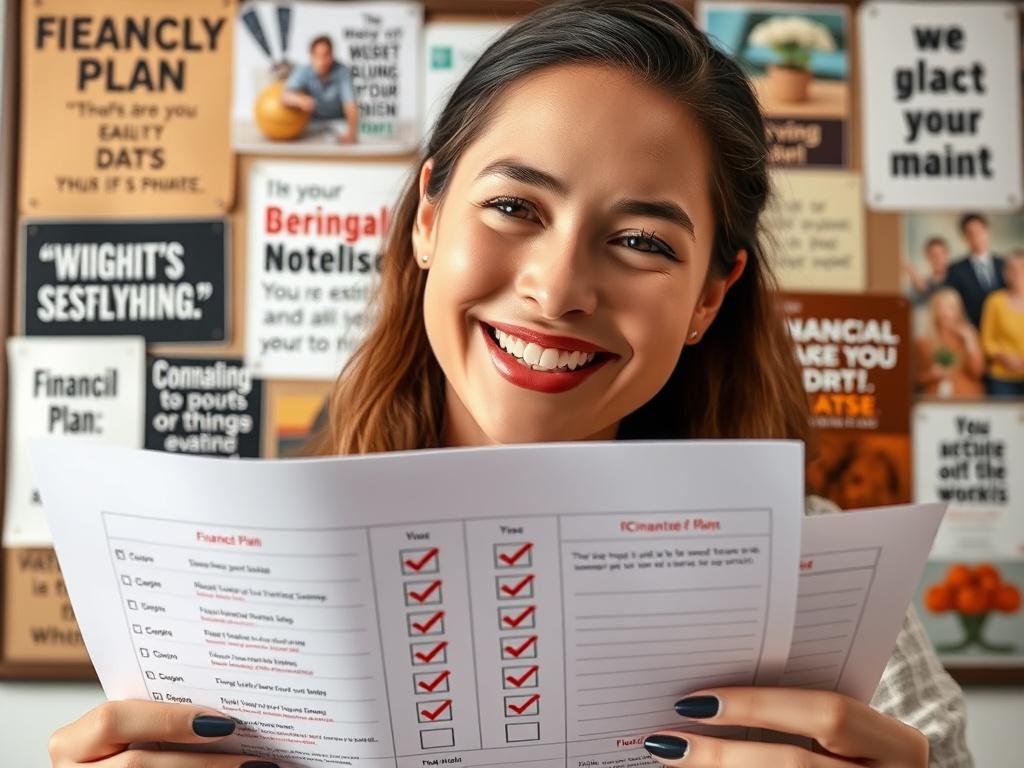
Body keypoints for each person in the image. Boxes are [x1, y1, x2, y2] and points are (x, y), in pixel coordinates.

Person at [47, 2, 970, 767]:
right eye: (514, 207)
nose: (559, 288)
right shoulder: (215, 580)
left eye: (644, 242)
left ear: (707, 299)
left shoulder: (830, 591)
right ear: (430, 218)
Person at [281, 34, 359, 143]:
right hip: (311, 124)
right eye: (318, 56)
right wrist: (300, 100)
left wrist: (352, 132)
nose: (322, 61)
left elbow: (350, 104)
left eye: (326, 55)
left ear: (332, 55)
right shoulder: (303, 71)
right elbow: (285, 96)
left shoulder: (343, 71)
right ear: (311, 56)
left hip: (338, 122)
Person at [915, 288, 985, 398]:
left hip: (966, 398)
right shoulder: (923, 342)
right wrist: (932, 375)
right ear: (934, 312)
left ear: (958, 311)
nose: (945, 313)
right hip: (934, 399)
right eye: (940, 308)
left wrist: (970, 342)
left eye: (950, 308)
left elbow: (977, 372)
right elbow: (915, 378)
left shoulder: (968, 336)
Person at [943, 213, 1006, 329]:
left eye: (979, 231)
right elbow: (951, 303)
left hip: (1004, 331)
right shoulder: (956, 270)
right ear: (964, 237)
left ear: (987, 232)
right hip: (972, 331)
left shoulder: (1005, 265)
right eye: (970, 233)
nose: (976, 236)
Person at [980, 249, 1024, 397]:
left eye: (1022, 267)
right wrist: (1006, 358)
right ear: (1005, 273)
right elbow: (987, 340)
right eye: (1012, 268)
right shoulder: (994, 301)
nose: (1017, 273)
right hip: (1001, 377)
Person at [903, 236, 949, 305]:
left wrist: (915, 276)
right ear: (927, 257)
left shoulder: (956, 279)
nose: (938, 259)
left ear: (947, 254)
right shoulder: (925, 283)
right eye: (934, 255)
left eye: (941, 254)